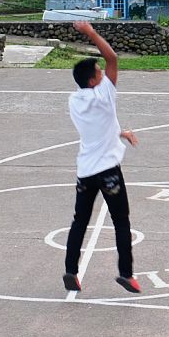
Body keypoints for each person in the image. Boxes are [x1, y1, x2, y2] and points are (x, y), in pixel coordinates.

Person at [63, 21, 141, 294]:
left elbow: (100, 126)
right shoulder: (105, 93)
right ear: (94, 80)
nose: (102, 72)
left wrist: (121, 132)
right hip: (108, 170)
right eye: (98, 72)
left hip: (85, 171)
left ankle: (71, 270)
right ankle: (126, 274)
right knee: (121, 221)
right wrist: (91, 33)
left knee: (79, 221)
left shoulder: (75, 101)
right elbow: (112, 57)